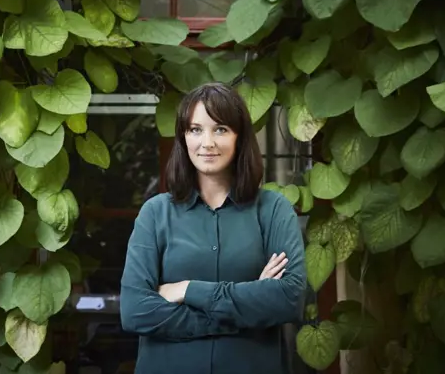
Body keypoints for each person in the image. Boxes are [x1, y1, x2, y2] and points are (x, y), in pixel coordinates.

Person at [119, 82, 307, 374]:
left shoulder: (273, 210)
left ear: (239, 138)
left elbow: (288, 300)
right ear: (183, 138)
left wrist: (186, 290)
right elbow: (135, 312)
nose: (207, 142)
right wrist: (246, 304)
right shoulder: (155, 214)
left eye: (220, 129)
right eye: (195, 129)